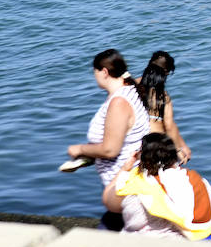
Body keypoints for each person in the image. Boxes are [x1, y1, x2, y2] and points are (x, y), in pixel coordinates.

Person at [103, 132, 211, 240]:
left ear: (143, 157)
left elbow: (108, 201)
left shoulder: (137, 183)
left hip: (147, 245)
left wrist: (127, 166)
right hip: (186, 241)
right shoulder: (194, 179)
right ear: (173, 155)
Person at [65, 49, 152, 191]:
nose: (94, 77)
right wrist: (91, 155)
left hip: (126, 186)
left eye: (95, 72)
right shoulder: (131, 90)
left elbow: (110, 150)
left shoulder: (119, 102)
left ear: (104, 72)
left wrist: (80, 149)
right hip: (132, 178)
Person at [137, 50, 189, 163]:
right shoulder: (163, 96)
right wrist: (178, 149)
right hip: (157, 148)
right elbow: (169, 126)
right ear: (165, 73)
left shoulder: (131, 86)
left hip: (136, 145)